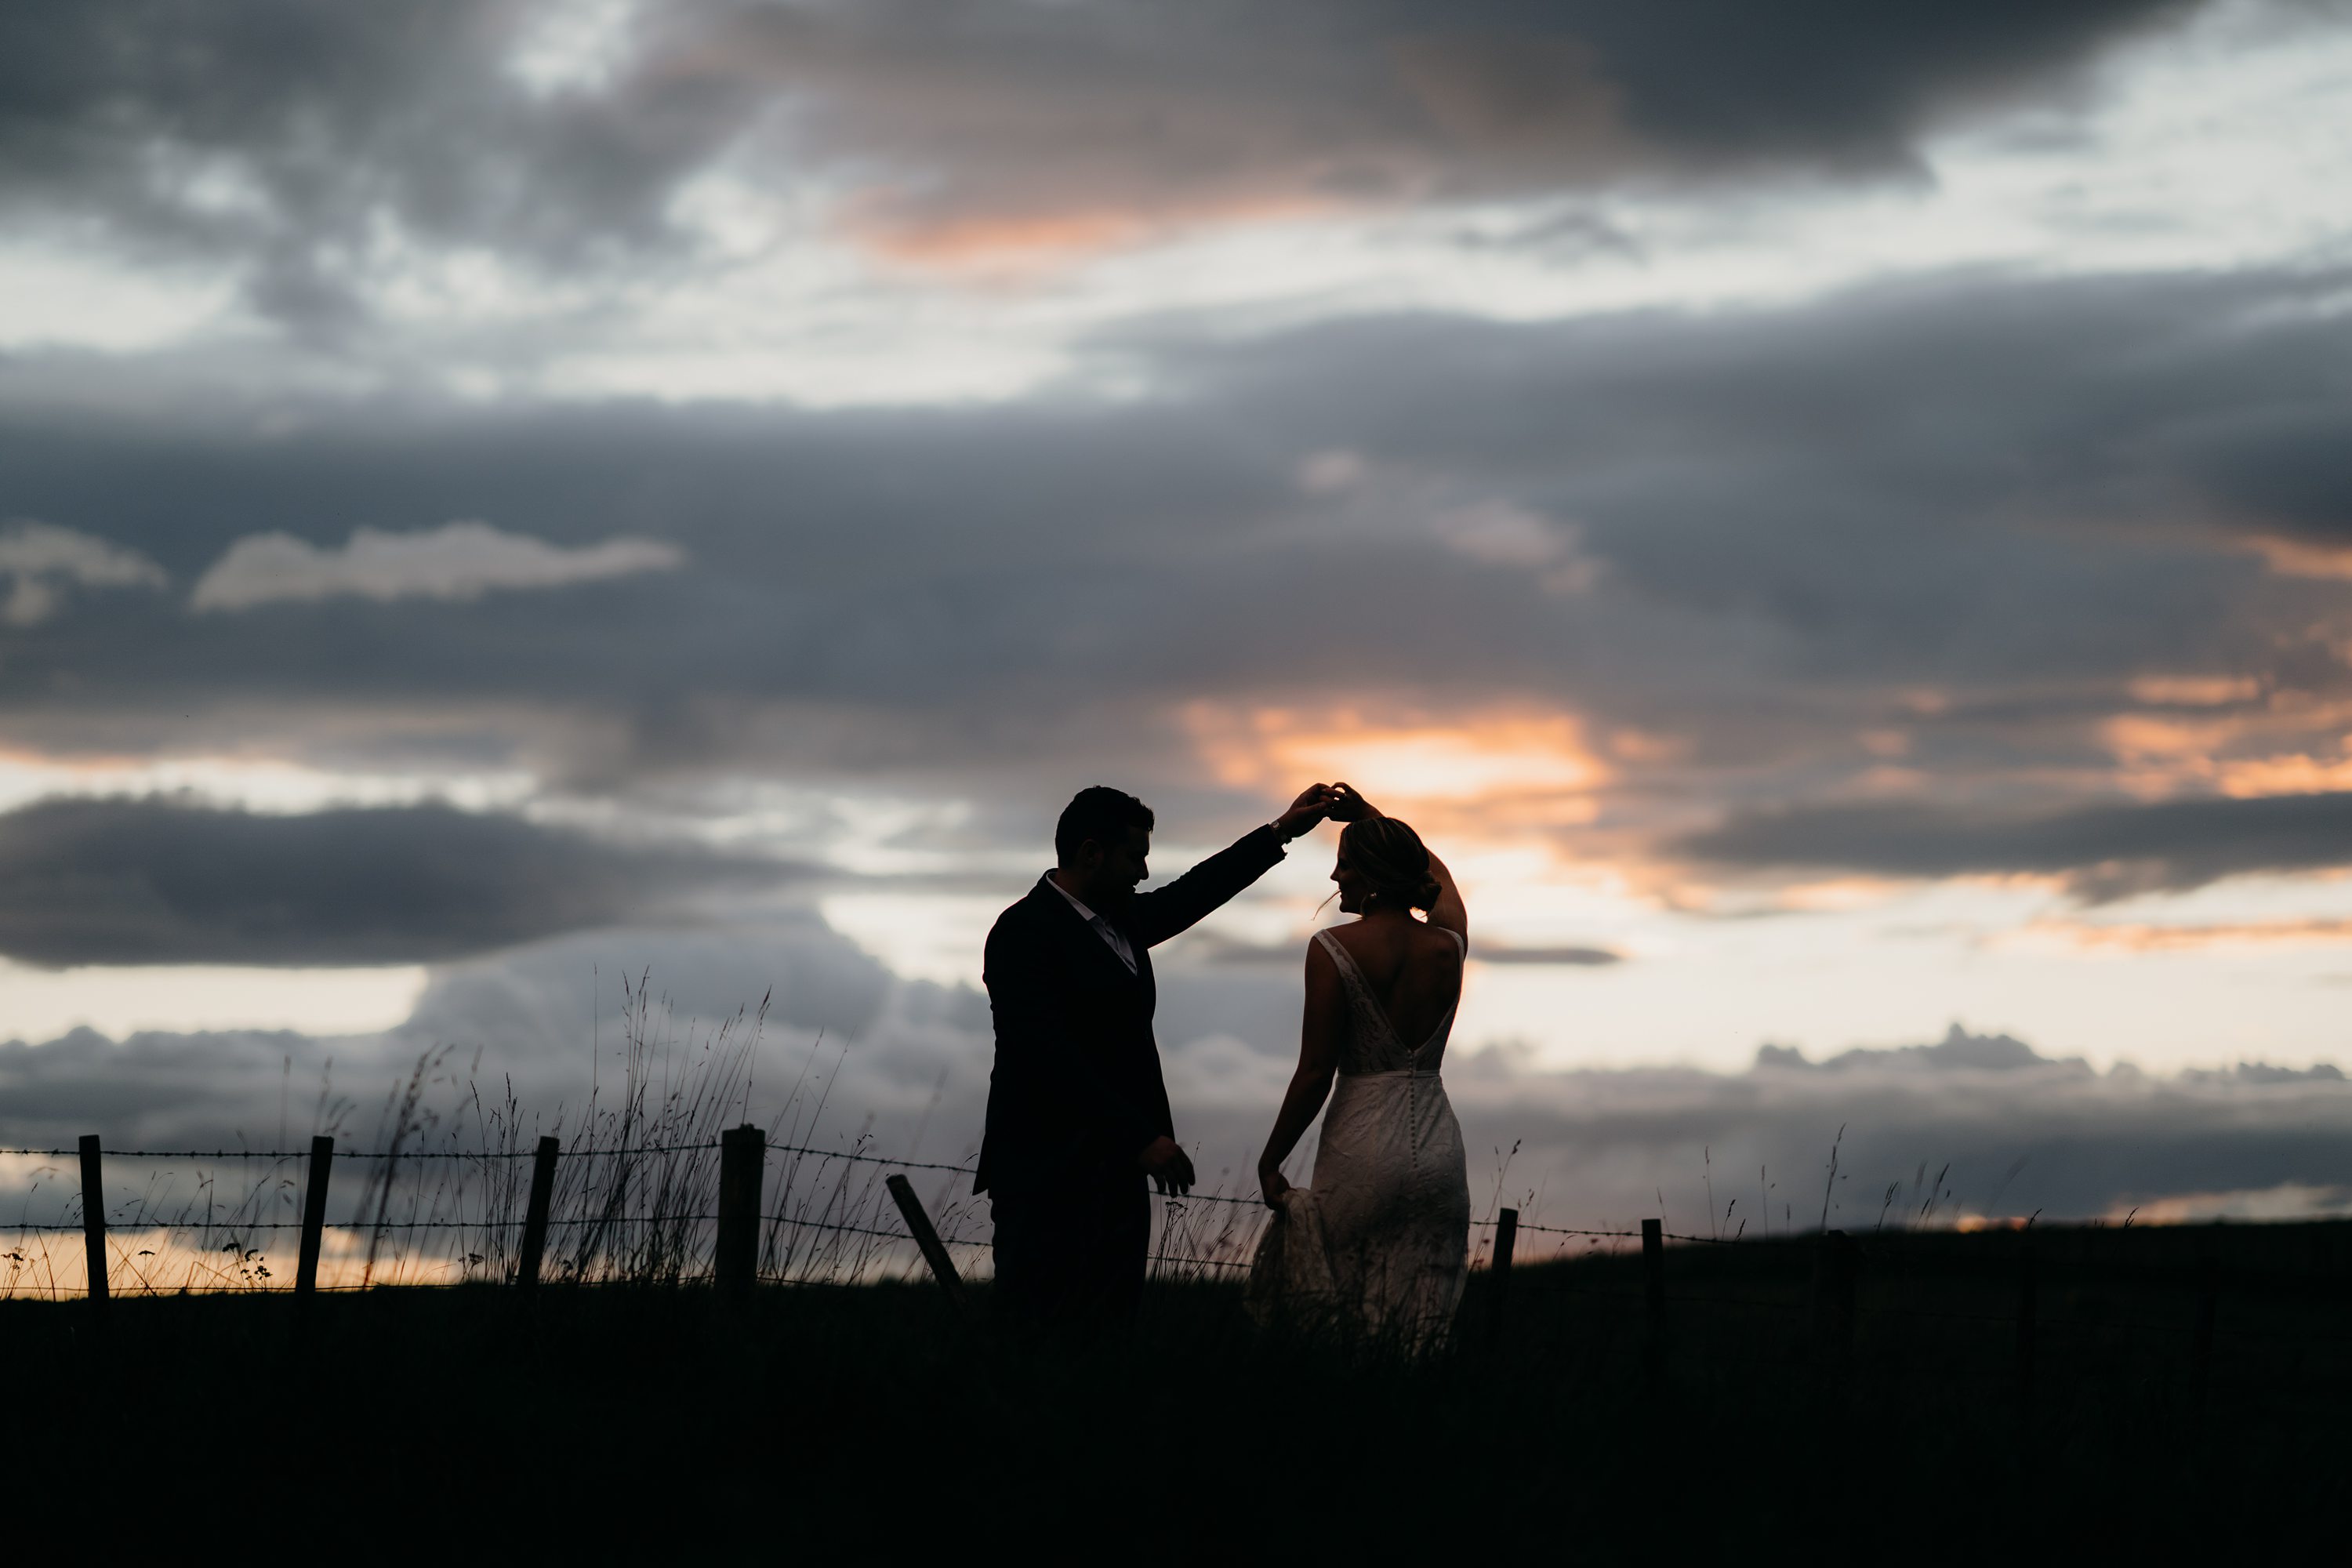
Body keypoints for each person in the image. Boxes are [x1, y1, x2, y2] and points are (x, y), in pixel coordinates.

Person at [978, 780, 1338, 1334]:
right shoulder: (1024, 932)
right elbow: (1046, 1054)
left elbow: (1194, 891)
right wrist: (1139, 1136)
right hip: (1045, 1175)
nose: (1143, 874)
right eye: (1135, 857)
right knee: (1039, 1337)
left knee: (1110, 1335)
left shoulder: (1122, 921)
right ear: (1091, 852)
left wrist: (1280, 832)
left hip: (1116, 1174)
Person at [1248, 783, 1471, 1348]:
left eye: (1344, 865)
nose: (1334, 879)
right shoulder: (1448, 944)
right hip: (1441, 1151)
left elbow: (1316, 1070)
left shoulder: (1332, 949)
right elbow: (1443, 885)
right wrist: (1373, 819)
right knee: (1426, 1318)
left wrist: (1272, 1159)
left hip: (1362, 1145)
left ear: (1371, 874)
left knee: (1349, 1311)